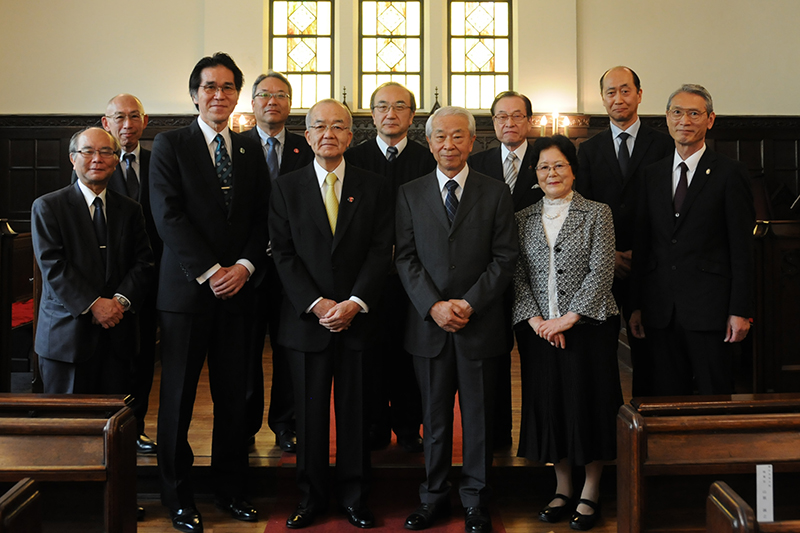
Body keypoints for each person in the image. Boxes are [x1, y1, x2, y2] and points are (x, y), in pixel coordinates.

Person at [149, 52, 269, 532]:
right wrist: (209, 271)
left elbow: (263, 217)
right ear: (195, 93)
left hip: (239, 293)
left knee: (234, 398)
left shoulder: (248, 149)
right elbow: (168, 215)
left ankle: (231, 489)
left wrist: (242, 266)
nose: (218, 95)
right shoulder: (169, 144)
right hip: (186, 294)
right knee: (177, 398)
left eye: (227, 87)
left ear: (237, 94)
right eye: (209, 87)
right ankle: (177, 498)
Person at [269, 99, 393, 530]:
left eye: (337, 126)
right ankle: (311, 497)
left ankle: (356, 497)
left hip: (358, 320)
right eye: (319, 126)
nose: (328, 134)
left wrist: (355, 302)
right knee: (311, 417)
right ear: (307, 136)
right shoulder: (287, 187)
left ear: (350, 135)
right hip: (307, 322)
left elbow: (382, 250)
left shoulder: (374, 185)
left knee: (356, 415)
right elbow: (283, 254)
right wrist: (318, 304)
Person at [395, 106, 518, 533]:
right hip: (429, 327)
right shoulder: (409, 192)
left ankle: (476, 501)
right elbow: (405, 258)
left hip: (478, 324)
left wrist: (468, 304)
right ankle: (432, 498)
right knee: (435, 419)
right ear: (429, 143)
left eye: (458, 136)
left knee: (479, 421)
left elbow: (505, 258)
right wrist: (433, 305)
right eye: (440, 137)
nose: (449, 144)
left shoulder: (496, 191)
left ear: (472, 141)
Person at [513, 135, 620, 531]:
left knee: (590, 405)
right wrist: (539, 322)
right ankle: (562, 487)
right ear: (535, 175)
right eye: (543, 167)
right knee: (552, 406)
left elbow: (601, 271)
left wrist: (569, 319)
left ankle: (591, 489)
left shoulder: (597, 213)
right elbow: (518, 277)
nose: (551, 173)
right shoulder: (521, 217)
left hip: (589, 329)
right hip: (539, 332)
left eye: (559, 165)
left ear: (573, 170)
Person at [629, 84, 754, 396]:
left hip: (710, 311)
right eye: (677, 112)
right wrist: (634, 305)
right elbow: (643, 246)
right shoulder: (651, 175)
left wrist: (740, 310)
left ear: (710, 120)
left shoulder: (730, 173)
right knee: (665, 397)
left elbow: (743, 249)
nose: (684, 120)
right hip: (660, 311)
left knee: (714, 394)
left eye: (694, 113)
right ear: (667, 119)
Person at [345, 81, 436, 453]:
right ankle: (375, 426)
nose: (390, 113)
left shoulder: (428, 157)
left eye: (400, 107)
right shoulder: (355, 158)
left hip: (416, 277)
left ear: (412, 116)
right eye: (382, 106)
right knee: (370, 356)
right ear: (372, 114)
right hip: (368, 276)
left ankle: (409, 425)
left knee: (410, 355)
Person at [31, 127, 154, 395]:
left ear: (115, 159)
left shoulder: (130, 210)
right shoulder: (48, 207)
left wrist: (118, 302)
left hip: (118, 334)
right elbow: (53, 266)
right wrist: (94, 305)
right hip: (67, 337)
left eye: (106, 152)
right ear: (73, 159)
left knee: (114, 424)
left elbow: (144, 262)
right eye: (88, 151)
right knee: (67, 428)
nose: (97, 158)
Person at [575, 67, 673, 397]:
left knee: (651, 350)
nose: (618, 98)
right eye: (611, 92)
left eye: (625, 90)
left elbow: (667, 211)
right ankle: (609, 421)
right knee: (600, 350)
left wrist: (641, 254)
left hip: (652, 265)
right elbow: (584, 210)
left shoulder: (663, 144)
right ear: (602, 98)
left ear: (640, 94)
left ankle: (647, 420)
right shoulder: (589, 150)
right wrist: (608, 255)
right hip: (604, 266)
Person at [468, 90, 543, 447]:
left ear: (530, 120)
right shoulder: (477, 163)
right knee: (493, 359)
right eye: (501, 116)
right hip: (491, 276)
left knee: (536, 359)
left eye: (517, 116)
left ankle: (536, 436)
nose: (509, 123)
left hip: (538, 276)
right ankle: (497, 436)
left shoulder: (547, 159)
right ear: (492, 122)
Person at [244, 71, 313, 453]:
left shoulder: (308, 148)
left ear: (290, 104)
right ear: (252, 103)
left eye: (281, 95)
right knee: (248, 351)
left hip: (295, 272)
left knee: (289, 353)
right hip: (249, 270)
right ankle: (247, 424)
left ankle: (286, 424)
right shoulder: (234, 147)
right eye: (264, 95)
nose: (273, 101)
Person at [101, 93, 162, 454]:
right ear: (106, 122)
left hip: (152, 279)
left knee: (143, 359)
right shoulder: (94, 161)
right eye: (119, 117)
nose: (127, 124)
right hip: (107, 285)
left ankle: (136, 425)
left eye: (134, 116)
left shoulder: (159, 162)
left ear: (145, 120)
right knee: (109, 358)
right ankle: (107, 427)